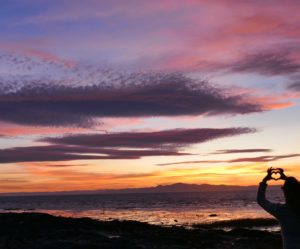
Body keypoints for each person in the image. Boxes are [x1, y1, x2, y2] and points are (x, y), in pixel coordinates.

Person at [257, 167, 300, 249]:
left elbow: (261, 200)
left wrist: (264, 181)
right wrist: (287, 179)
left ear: (285, 192)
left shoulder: (281, 210)